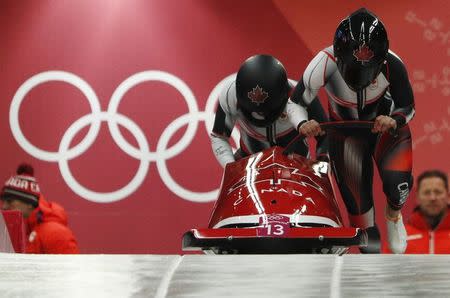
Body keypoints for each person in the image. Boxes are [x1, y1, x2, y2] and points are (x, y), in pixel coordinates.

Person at [290, 8, 415, 253]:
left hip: (385, 130)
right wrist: (302, 123)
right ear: (338, 56)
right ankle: (371, 262)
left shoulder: (393, 64)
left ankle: (393, 215)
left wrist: (394, 120)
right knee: (359, 213)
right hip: (345, 136)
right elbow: (296, 102)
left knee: (398, 185)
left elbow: (407, 106)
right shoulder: (323, 63)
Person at [210, 54, 328, 167]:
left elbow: (326, 135)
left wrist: (321, 165)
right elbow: (219, 136)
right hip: (249, 164)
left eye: (265, 112)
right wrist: (230, 167)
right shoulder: (229, 95)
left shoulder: (301, 95)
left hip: (297, 165)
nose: (261, 115)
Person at [0, 163, 79, 254]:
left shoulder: (56, 233)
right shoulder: (24, 232)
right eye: (3, 201)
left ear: (30, 203)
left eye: (10, 201)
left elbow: (69, 268)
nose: (4, 206)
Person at [383, 170, 450, 254]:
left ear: (448, 196)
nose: (432, 198)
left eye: (438, 192)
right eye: (426, 193)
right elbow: (388, 266)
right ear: (417, 197)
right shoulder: (400, 236)